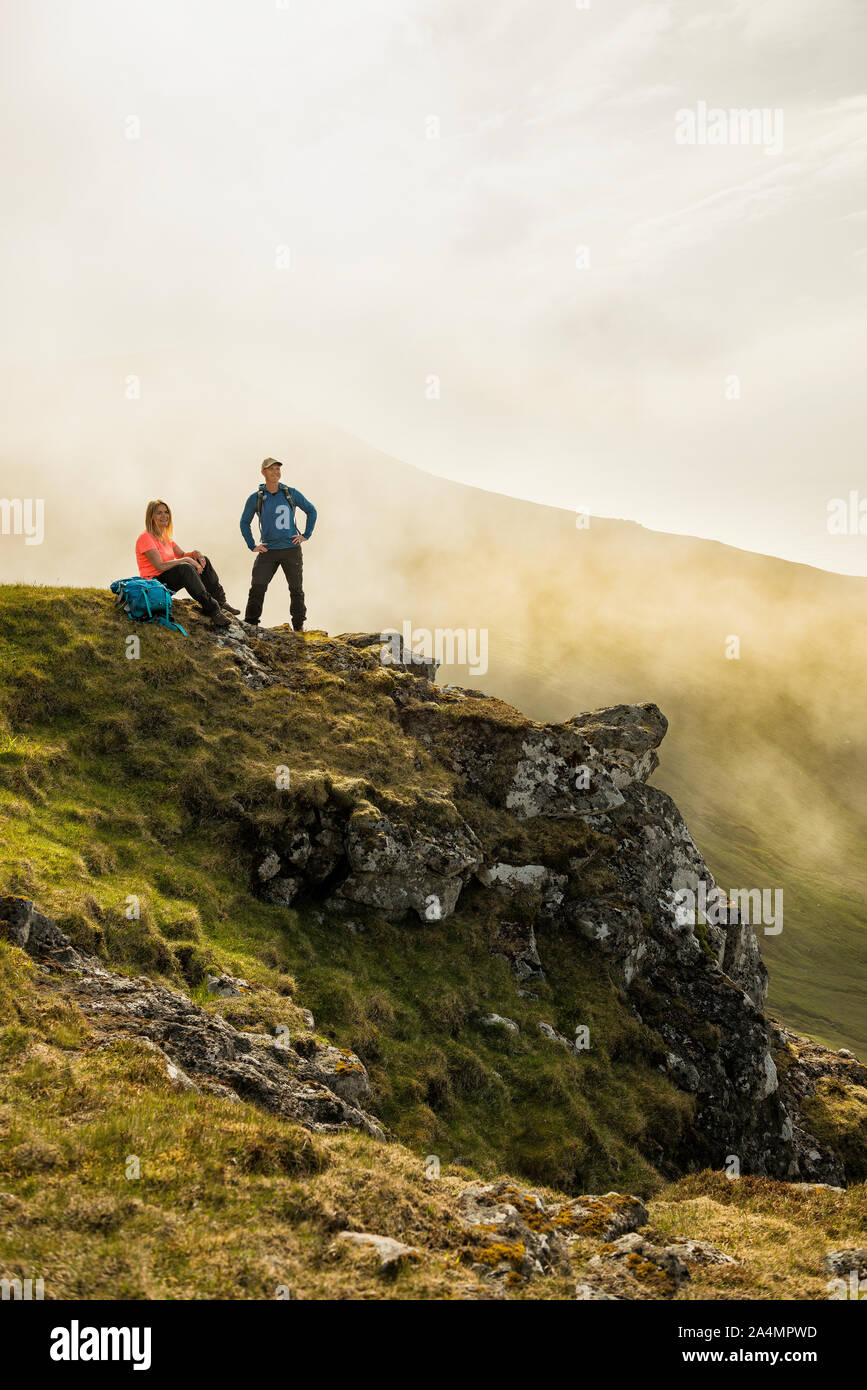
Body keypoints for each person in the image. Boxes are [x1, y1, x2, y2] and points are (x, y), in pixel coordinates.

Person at [239, 457, 317, 631]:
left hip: (291, 550)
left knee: (296, 589)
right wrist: (252, 545)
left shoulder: (290, 493)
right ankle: (251, 624)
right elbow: (244, 522)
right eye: (271, 469)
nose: (275, 472)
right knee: (258, 587)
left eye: (277, 469)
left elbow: (311, 510)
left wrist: (306, 535)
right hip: (268, 550)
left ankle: (298, 626)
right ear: (263, 473)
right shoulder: (256, 497)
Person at [135, 500, 237, 630]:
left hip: (167, 578)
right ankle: (212, 610)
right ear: (151, 517)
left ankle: (221, 601)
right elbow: (159, 566)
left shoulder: (165, 536)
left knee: (202, 560)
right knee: (185, 568)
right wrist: (187, 561)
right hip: (154, 584)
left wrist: (195, 554)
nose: (164, 516)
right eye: (159, 513)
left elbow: (182, 555)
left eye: (166, 512)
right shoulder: (145, 538)